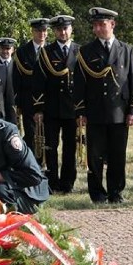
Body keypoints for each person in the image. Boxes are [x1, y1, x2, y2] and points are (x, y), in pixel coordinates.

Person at [73, 8, 133, 204]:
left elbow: (132, 82)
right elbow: (79, 84)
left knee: (118, 155)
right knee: (95, 156)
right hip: (95, 112)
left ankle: (116, 192)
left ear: (112, 24)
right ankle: (97, 193)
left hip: (119, 111)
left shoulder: (127, 50)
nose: (99, 29)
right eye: (95, 25)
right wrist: (81, 111)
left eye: (102, 24)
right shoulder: (85, 51)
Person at [33, 15, 79, 193]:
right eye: (59, 29)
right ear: (54, 32)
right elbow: (38, 82)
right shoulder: (46, 52)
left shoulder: (79, 51)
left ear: (71, 29)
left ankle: (68, 183)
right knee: (50, 147)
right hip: (51, 108)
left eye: (66, 28)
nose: (63, 32)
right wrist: (38, 108)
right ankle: (52, 182)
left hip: (72, 108)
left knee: (70, 147)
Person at [12, 18, 49, 155]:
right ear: (32, 31)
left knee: (48, 135)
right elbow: (16, 79)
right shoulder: (22, 52)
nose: (42, 34)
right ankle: (31, 165)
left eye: (44, 30)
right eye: (38, 31)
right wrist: (18, 103)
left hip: (48, 100)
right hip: (29, 101)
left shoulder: (51, 50)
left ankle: (46, 164)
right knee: (31, 135)